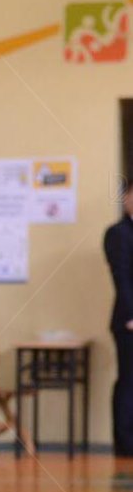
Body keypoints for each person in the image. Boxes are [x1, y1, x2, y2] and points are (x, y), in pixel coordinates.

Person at [104, 184, 133, 455]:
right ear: (126, 198)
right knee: (129, 379)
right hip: (128, 321)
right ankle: (125, 443)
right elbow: (121, 277)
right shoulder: (119, 233)